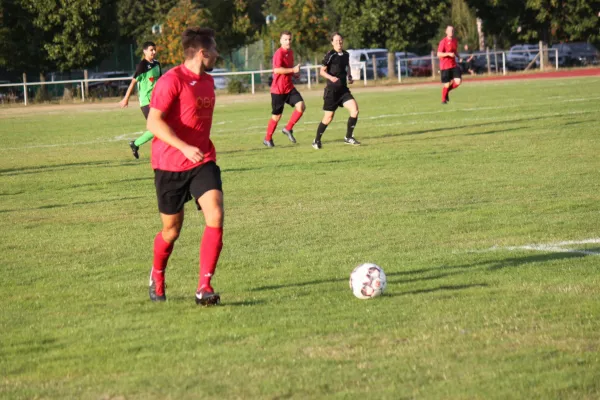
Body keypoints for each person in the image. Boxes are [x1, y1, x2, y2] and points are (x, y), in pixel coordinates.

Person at [145, 27, 223, 306]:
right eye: (214, 49)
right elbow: (153, 122)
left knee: (215, 213)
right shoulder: (171, 80)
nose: (217, 54)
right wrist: (183, 146)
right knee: (171, 231)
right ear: (202, 53)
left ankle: (204, 286)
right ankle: (158, 274)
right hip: (169, 163)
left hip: (203, 160)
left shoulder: (208, 82)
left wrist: (195, 149)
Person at [312, 32, 360, 150]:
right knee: (328, 117)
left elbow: (346, 66)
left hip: (343, 90)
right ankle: (316, 140)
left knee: (355, 110)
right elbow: (322, 71)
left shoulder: (346, 54)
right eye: (336, 41)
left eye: (340, 40)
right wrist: (331, 77)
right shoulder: (330, 55)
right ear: (332, 42)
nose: (339, 42)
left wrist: (349, 76)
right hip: (332, 91)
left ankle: (348, 137)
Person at [119, 41, 162, 159]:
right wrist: (126, 99)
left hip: (158, 100)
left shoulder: (157, 64)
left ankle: (136, 144)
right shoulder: (142, 66)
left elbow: (161, 81)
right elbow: (133, 82)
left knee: (163, 126)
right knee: (157, 128)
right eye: (151, 50)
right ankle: (136, 144)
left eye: (154, 49)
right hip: (147, 102)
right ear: (144, 51)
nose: (153, 52)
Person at [263, 31, 305, 148]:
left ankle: (288, 128)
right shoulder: (279, 53)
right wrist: (293, 70)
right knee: (276, 116)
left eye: (289, 39)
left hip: (289, 87)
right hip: (278, 90)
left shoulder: (290, 52)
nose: (288, 42)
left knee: (301, 106)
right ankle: (267, 139)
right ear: (281, 41)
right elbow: (277, 70)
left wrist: (295, 74)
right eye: (285, 39)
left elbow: (289, 69)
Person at [437, 26, 462, 104]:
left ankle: (446, 92)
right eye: (450, 30)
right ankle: (443, 100)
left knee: (458, 81)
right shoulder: (443, 42)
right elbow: (438, 54)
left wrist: (459, 56)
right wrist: (448, 54)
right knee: (447, 84)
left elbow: (455, 51)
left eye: (452, 30)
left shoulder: (454, 41)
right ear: (446, 32)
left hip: (453, 65)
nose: (451, 32)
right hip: (445, 66)